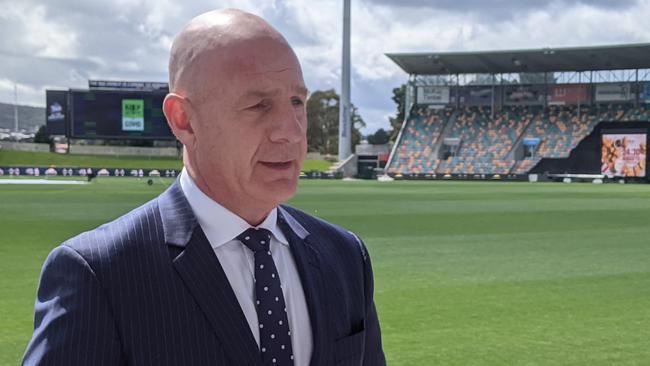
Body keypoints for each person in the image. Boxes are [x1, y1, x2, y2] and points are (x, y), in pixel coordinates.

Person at [23, 8, 385, 366]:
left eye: (296, 102)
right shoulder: (100, 275)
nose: (291, 131)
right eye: (259, 105)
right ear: (184, 120)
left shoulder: (345, 256)